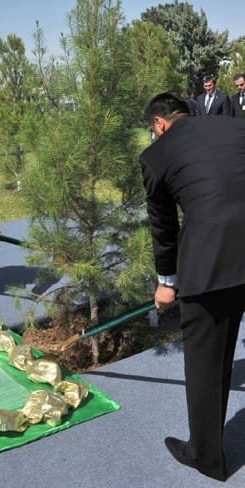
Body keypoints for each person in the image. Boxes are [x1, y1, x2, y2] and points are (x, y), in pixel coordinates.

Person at [140, 92, 245, 482]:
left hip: (210, 264)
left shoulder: (156, 155)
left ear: (159, 124)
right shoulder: (237, 125)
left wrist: (167, 282)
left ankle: (206, 457)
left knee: (205, 365)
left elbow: (164, 228)